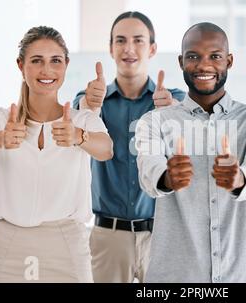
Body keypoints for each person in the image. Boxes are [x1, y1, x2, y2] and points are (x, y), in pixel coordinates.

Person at [135, 22, 246, 283]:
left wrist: (240, 178)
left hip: (243, 275)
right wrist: (166, 178)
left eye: (215, 56)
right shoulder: (153, 122)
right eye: (193, 56)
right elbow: (148, 169)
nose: (203, 66)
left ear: (229, 60)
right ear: (181, 62)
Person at [0, 26, 113, 283]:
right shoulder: (1, 118)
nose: (47, 70)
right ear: (21, 65)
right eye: (37, 61)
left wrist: (79, 136)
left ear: (66, 65)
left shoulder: (80, 120)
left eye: (55, 61)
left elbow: (106, 149)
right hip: (8, 242)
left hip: (65, 242)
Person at [73, 11, 185, 283]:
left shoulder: (173, 100)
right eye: (121, 41)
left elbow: (192, 137)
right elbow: (80, 119)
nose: (129, 49)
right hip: (107, 238)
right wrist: (91, 105)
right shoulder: (89, 99)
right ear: (111, 48)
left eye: (138, 40)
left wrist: (172, 113)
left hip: (162, 236)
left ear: (153, 48)